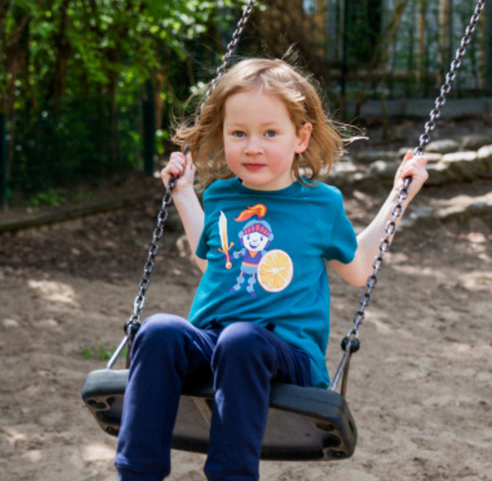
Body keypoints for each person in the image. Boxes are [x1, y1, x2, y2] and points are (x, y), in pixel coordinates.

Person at [114, 58, 428, 481]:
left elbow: (358, 270)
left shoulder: (321, 204)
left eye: (270, 133)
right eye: (238, 133)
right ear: (223, 135)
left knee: (241, 339)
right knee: (157, 331)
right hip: (215, 341)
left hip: (285, 353)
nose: (252, 147)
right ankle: (137, 474)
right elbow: (213, 260)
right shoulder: (221, 194)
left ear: (301, 137)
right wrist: (184, 193)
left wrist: (399, 197)